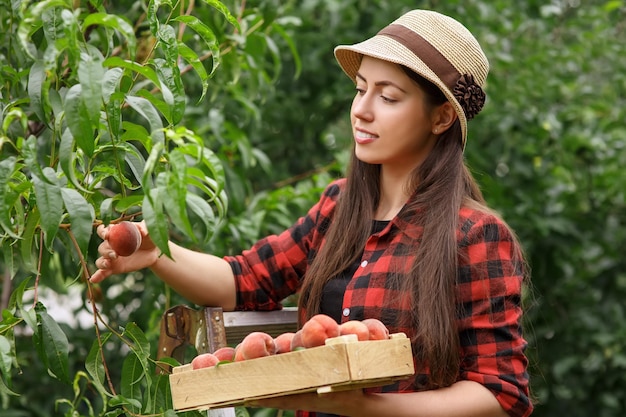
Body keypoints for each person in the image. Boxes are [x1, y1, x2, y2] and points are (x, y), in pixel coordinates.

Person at [91, 9, 533, 417]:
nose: (361, 109)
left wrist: (365, 408)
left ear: (440, 119)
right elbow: (244, 280)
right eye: (361, 90)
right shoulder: (340, 209)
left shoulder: (474, 235)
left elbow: (499, 394)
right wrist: (157, 254)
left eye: (389, 97)